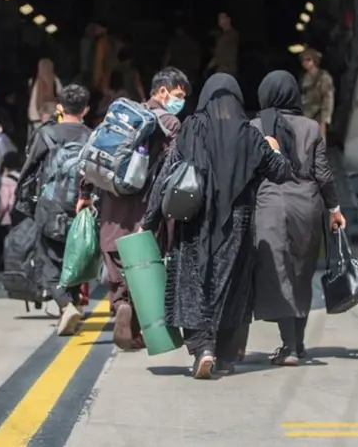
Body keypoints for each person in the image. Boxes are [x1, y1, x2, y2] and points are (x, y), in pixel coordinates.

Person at [141, 73, 291, 379]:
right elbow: (281, 173)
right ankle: (222, 355)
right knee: (230, 289)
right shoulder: (250, 135)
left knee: (191, 286)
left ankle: (201, 348)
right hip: (237, 225)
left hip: (195, 222)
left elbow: (168, 175)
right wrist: (273, 148)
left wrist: (151, 219)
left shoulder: (192, 129)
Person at [77, 67, 190, 350]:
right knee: (143, 263)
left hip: (112, 204)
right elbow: (170, 170)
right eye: (177, 94)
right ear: (162, 91)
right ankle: (135, 319)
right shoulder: (170, 124)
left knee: (114, 256)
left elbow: (95, 154)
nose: (179, 101)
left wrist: (85, 193)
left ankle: (120, 305)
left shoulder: (121, 116)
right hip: (144, 207)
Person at [250, 70, 346, 366]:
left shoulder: (255, 126)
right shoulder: (311, 127)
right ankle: (298, 344)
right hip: (307, 204)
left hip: (270, 203)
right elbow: (323, 174)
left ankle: (289, 346)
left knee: (278, 273)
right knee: (301, 273)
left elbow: (249, 171)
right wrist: (334, 208)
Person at [16, 84, 93, 335]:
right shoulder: (93, 136)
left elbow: (29, 169)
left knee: (47, 259)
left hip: (50, 207)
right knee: (75, 258)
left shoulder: (46, 134)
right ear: (86, 110)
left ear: (59, 107)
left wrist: (23, 201)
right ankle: (70, 307)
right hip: (83, 207)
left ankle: (65, 303)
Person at [299, 48, 335, 139]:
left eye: (308, 59)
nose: (305, 63)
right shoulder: (304, 78)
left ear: (315, 60)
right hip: (306, 113)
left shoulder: (323, 76)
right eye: (303, 60)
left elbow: (328, 97)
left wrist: (326, 117)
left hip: (318, 114)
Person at [28, 58, 63, 137]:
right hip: (50, 117)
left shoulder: (34, 81)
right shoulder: (55, 80)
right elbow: (62, 96)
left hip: (36, 118)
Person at [206, 11, 239, 78]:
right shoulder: (221, 36)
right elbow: (217, 55)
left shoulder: (232, 34)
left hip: (228, 71)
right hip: (220, 70)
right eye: (219, 17)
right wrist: (208, 68)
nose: (219, 19)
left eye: (222, 17)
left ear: (228, 19)